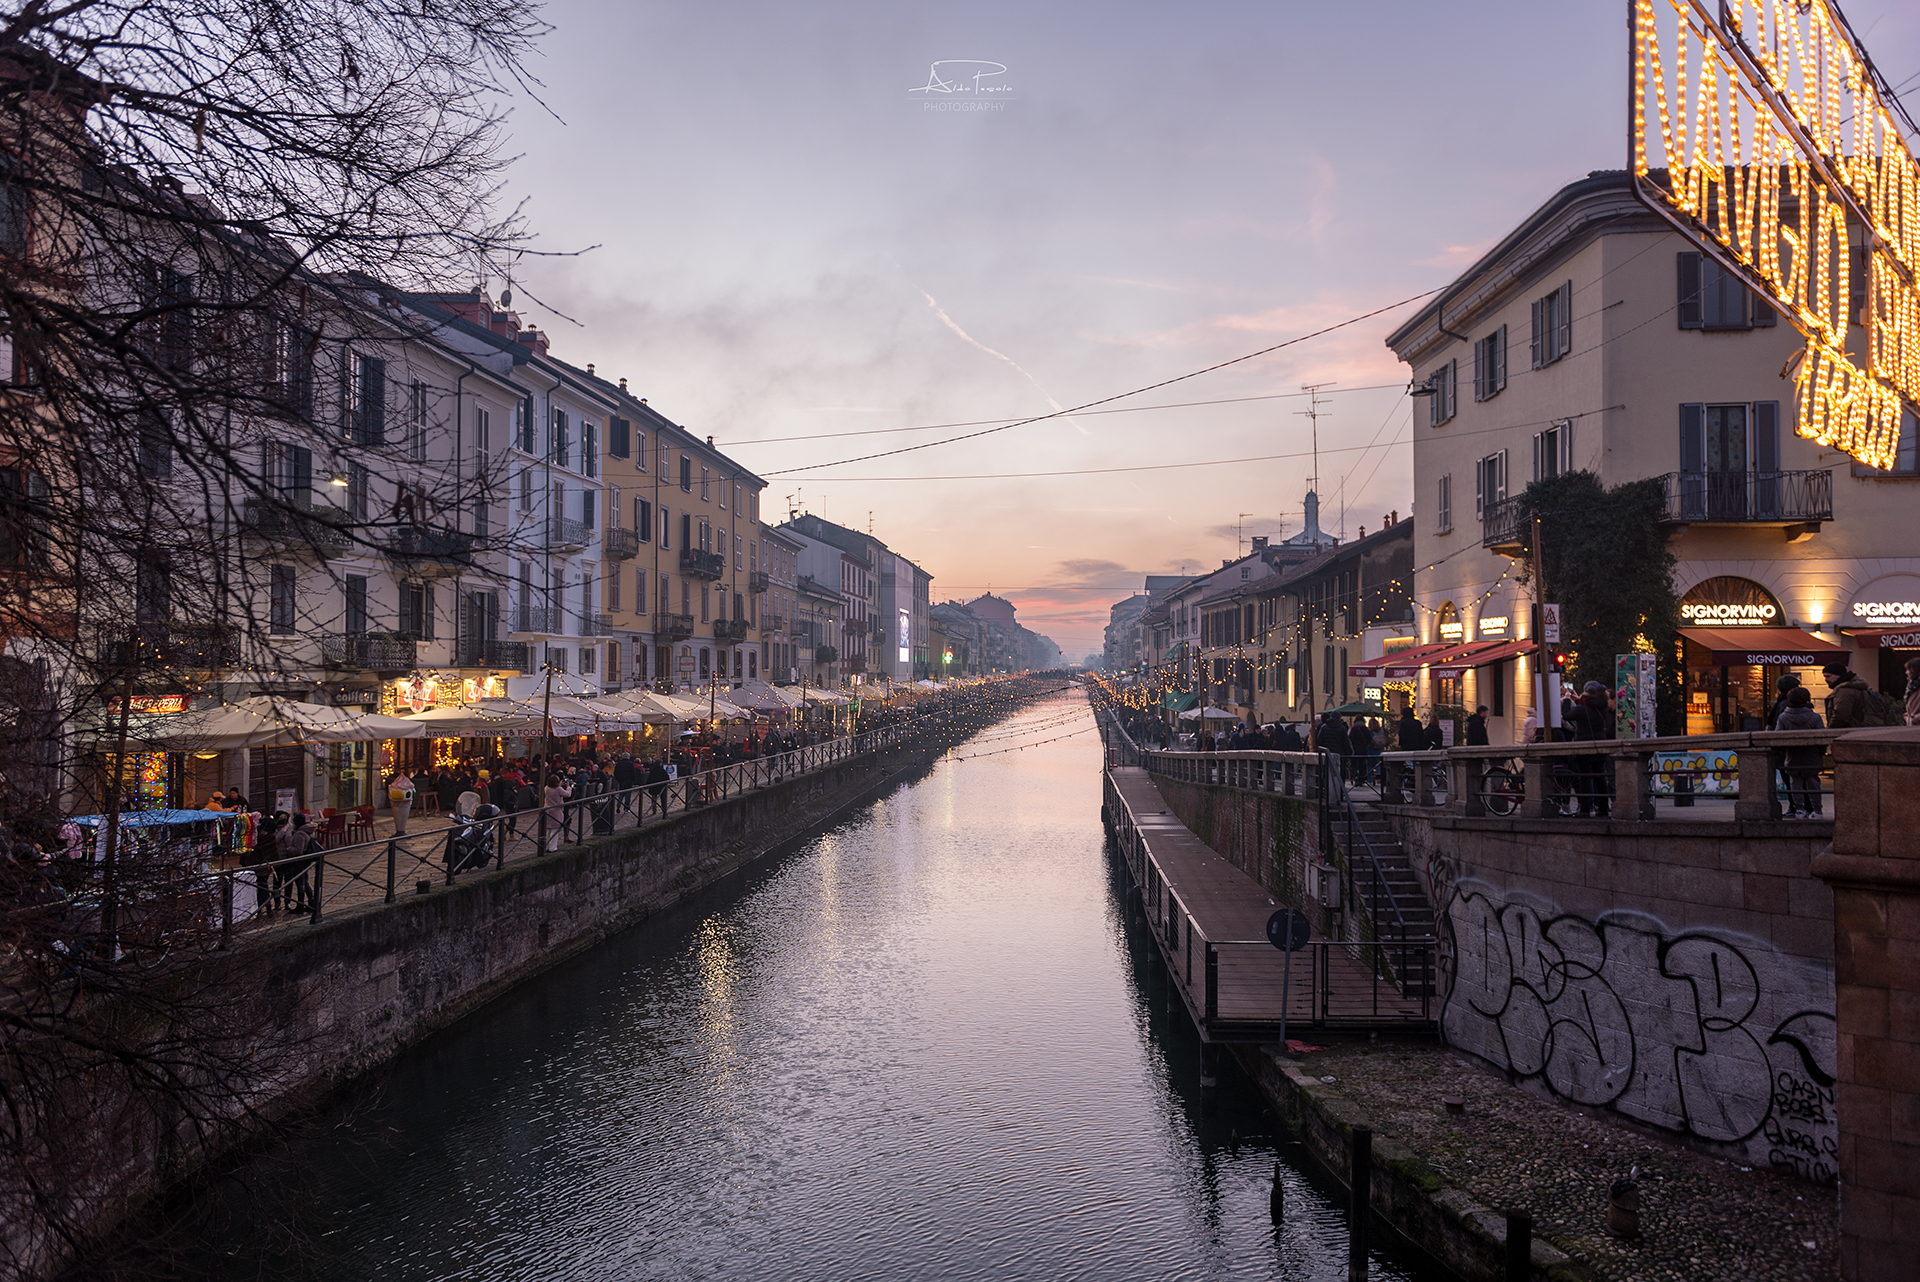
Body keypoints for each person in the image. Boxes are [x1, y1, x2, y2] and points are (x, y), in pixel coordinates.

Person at [1564, 680, 1616, 817]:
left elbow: (1567, 716)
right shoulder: (1602, 706)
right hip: (1600, 745)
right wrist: (1579, 700)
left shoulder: (1581, 709)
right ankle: (1604, 809)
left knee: (1585, 778)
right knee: (1600, 778)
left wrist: (1568, 701)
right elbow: (1589, 707)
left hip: (1584, 745)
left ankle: (1585, 810)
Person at [1774, 686, 1826, 818]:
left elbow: (1777, 737)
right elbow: (1822, 738)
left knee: (1794, 783)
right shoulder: (1815, 717)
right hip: (1811, 754)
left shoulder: (1783, 717)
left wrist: (1782, 751)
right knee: (1813, 783)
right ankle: (1817, 810)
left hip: (1792, 755)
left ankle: (1799, 810)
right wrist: (1821, 752)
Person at [278, 814, 317, 914]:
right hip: (305, 861)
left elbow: (298, 850)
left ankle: (300, 905)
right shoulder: (307, 831)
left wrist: (288, 849)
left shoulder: (300, 833)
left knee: (300, 884)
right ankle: (311, 903)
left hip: (299, 862)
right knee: (305, 882)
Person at [1821, 663, 1880, 728]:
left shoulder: (1844, 691)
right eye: (1825, 677)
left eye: (1828, 676)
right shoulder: (1855, 687)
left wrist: (1830, 729)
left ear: (1839, 675)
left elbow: (1841, 715)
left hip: (1849, 731)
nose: (1826, 680)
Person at [541, 776, 571, 853]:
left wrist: (559, 785)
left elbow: (554, 790)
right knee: (554, 830)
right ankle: (552, 847)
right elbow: (568, 794)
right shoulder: (558, 789)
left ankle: (546, 846)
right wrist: (568, 787)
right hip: (556, 811)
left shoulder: (546, 788)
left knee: (548, 829)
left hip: (547, 810)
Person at [388, 769, 415, 836]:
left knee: (399, 814)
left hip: (398, 800)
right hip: (405, 800)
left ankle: (400, 830)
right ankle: (400, 830)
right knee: (402, 814)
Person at [1908, 656, 1920, 726]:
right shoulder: (1911, 688)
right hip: (1913, 730)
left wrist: (1914, 719)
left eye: (1908, 669)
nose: (1906, 672)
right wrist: (1907, 716)